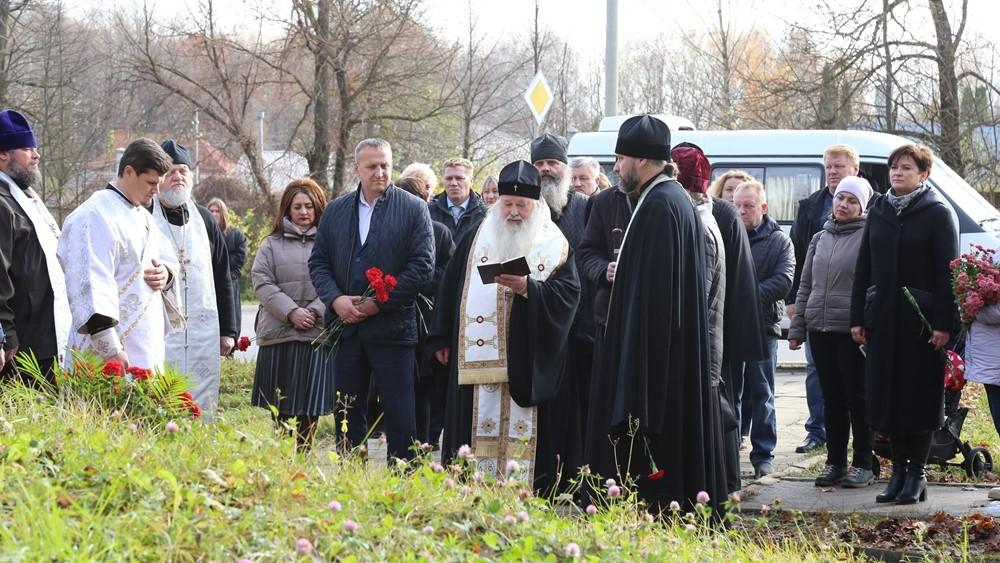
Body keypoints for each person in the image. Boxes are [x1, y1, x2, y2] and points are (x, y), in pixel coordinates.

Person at [588, 115, 723, 512]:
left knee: (658, 473)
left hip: (658, 372)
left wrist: (638, 385)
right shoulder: (664, 198)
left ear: (643, 160)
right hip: (666, 361)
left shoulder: (662, 205)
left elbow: (657, 304)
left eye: (620, 159)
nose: (615, 168)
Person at [428, 160, 581, 495]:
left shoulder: (555, 245)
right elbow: (449, 287)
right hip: (476, 366)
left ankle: (527, 495)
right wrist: (441, 336)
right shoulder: (474, 237)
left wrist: (530, 289)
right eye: (507, 204)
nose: (513, 212)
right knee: (472, 442)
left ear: (536, 205)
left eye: (521, 206)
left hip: (526, 360)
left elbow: (569, 298)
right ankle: (471, 492)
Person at [309, 138, 434, 462]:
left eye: (385, 165)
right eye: (372, 166)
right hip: (347, 330)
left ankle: (403, 480)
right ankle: (351, 477)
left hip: (393, 329)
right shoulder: (336, 211)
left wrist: (379, 302)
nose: (380, 172)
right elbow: (318, 262)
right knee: (347, 412)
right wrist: (336, 300)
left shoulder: (413, 208)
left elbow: (422, 266)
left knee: (400, 413)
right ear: (357, 169)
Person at [851, 143, 958, 505]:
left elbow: (949, 275)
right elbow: (864, 264)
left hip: (921, 325)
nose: (898, 173)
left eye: (907, 168)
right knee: (889, 400)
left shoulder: (937, 213)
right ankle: (898, 472)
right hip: (883, 320)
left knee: (919, 400)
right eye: (895, 167)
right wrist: (857, 316)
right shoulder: (879, 209)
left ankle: (917, 474)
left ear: (924, 174)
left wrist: (944, 324)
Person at [672, 142, 767, 493]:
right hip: (715, 327)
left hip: (716, 328)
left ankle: (725, 482)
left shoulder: (718, 216)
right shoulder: (713, 212)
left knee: (721, 409)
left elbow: (728, 278)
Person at [59, 138, 182, 372]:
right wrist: (110, 348)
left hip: (145, 342)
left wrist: (165, 274)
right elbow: (88, 282)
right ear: (128, 171)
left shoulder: (143, 216)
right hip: (106, 348)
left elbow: (167, 258)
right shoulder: (93, 215)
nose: (155, 192)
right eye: (150, 182)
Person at [788, 176, 875, 488]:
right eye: (840, 198)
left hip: (851, 330)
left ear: (862, 206)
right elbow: (805, 284)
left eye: (852, 201)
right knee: (831, 398)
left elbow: (871, 286)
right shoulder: (819, 237)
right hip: (820, 328)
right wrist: (797, 328)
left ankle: (864, 462)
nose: (843, 205)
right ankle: (835, 461)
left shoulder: (869, 236)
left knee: (858, 398)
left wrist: (863, 321)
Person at [150, 140, 237, 419]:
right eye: (171, 171)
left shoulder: (204, 219)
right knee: (160, 395)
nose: (178, 177)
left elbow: (223, 276)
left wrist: (229, 331)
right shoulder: (144, 214)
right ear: (160, 177)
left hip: (202, 329)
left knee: (201, 400)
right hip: (161, 327)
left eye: (183, 171)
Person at [251, 179, 333, 450]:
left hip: (315, 334)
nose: (303, 212)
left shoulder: (331, 243)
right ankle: (283, 457)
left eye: (309, 205)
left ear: (318, 208)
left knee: (310, 404)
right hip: (280, 336)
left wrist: (313, 311)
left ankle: (304, 455)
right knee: (281, 404)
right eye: (297, 206)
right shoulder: (271, 244)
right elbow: (262, 281)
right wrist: (291, 312)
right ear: (287, 209)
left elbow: (338, 280)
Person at [789, 145, 860, 454]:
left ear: (854, 170)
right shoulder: (811, 207)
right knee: (816, 372)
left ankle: (859, 445)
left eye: (839, 166)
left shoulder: (871, 211)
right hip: (817, 309)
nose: (832, 172)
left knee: (853, 383)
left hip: (849, 315)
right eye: (828, 166)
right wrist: (794, 301)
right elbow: (798, 255)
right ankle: (817, 431)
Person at [0, 109, 70, 382]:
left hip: (45, 339)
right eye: (27, 149)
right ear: (3, 154)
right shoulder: (3, 203)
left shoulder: (27, 199)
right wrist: (5, 333)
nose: (37, 155)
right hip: (19, 345)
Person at [733, 180, 794, 478]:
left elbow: (783, 281)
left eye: (748, 206)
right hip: (730, 325)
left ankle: (763, 453)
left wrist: (743, 297)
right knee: (730, 391)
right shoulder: (726, 233)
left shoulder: (779, 240)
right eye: (738, 205)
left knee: (762, 391)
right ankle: (728, 449)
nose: (742, 211)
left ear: (764, 208)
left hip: (763, 324)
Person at [395, 175, 455, 447]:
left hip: (428, 317)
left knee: (428, 382)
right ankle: (403, 438)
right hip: (398, 315)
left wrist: (416, 281)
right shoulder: (391, 231)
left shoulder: (440, 231)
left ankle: (429, 437)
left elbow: (449, 271)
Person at [208, 198, 248, 342]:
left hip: (229, 280)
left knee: (230, 315)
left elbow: (241, 257)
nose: (213, 214)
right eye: (211, 211)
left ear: (223, 213)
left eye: (217, 211)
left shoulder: (235, 234)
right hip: (209, 282)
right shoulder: (204, 235)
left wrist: (222, 266)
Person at [428, 158, 487, 245]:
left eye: (459, 178)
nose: (453, 183)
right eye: (449, 178)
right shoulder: (428, 212)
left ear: (471, 181)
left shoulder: (484, 215)